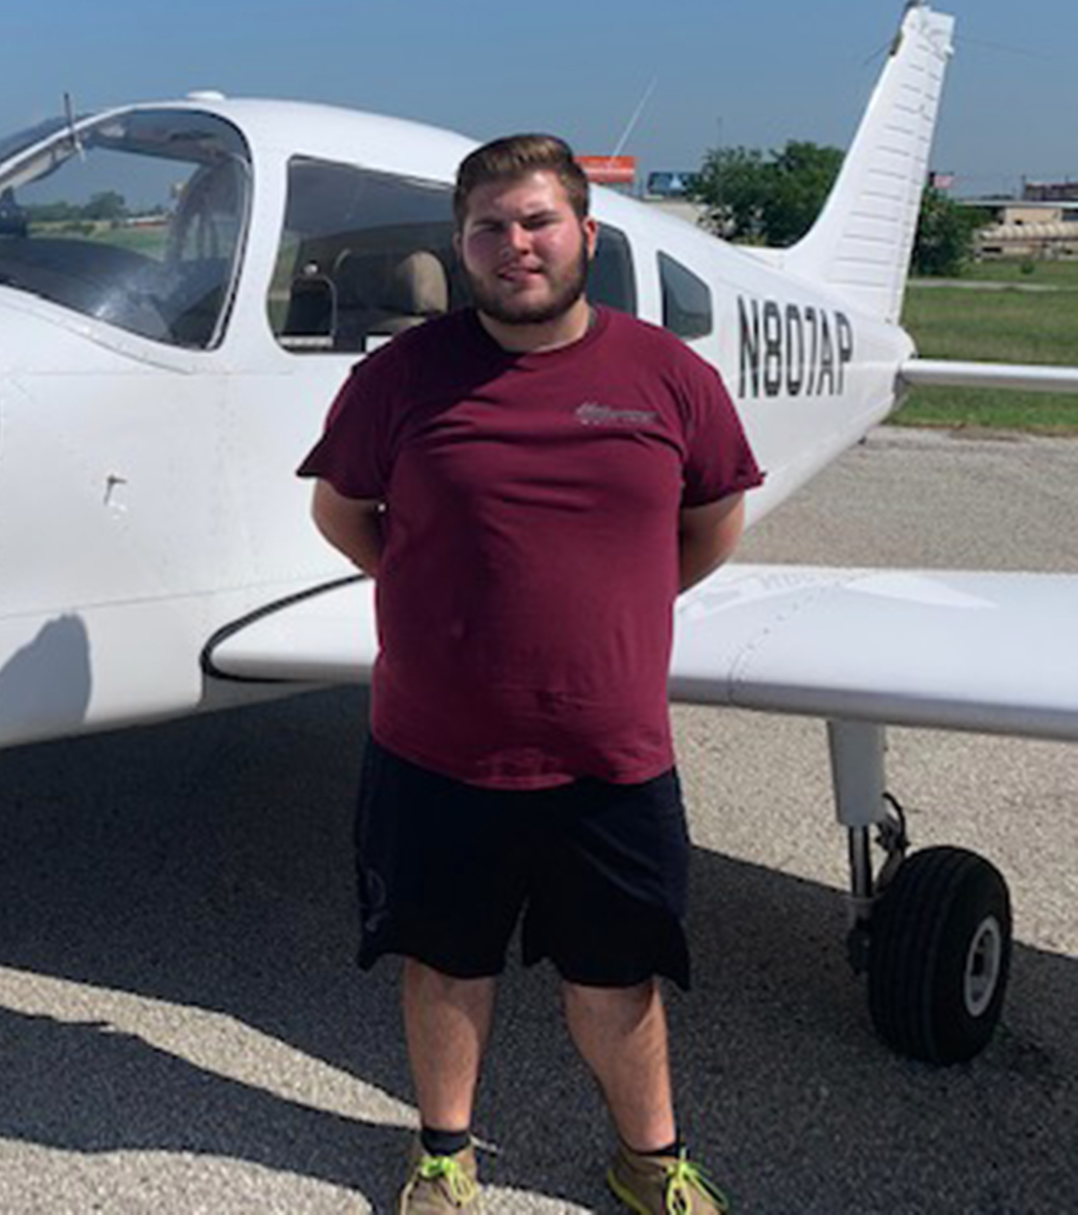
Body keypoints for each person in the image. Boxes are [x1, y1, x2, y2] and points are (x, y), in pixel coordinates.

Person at [299, 134, 762, 1215]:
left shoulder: (667, 376)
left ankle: (648, 1159)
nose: (515, 245)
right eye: (488, 227)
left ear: (583, 235)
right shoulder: (400, 378)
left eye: (537, 221)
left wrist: (606, 614)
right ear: (460, 247)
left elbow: (711, 523)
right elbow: (341, 514)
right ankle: (442, 1152)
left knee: (618, 977)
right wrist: (436, 595)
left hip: (610, 750)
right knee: (443, 961)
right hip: (434, 744)